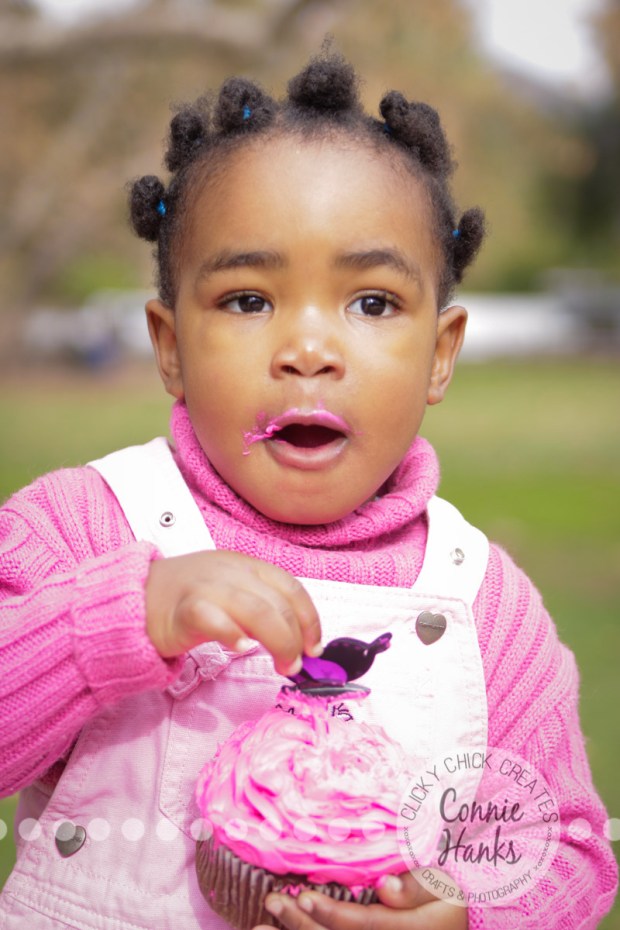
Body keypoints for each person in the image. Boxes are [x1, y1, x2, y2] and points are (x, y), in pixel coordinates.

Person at [0, 47, 616, 930]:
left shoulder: (488, 609)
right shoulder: (84, 530)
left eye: (371, 303)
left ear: (440, 355)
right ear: (169, 346)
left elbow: (563, 845)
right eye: (249, 301)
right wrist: (122, 619)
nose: (309, 348)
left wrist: (469, 912)